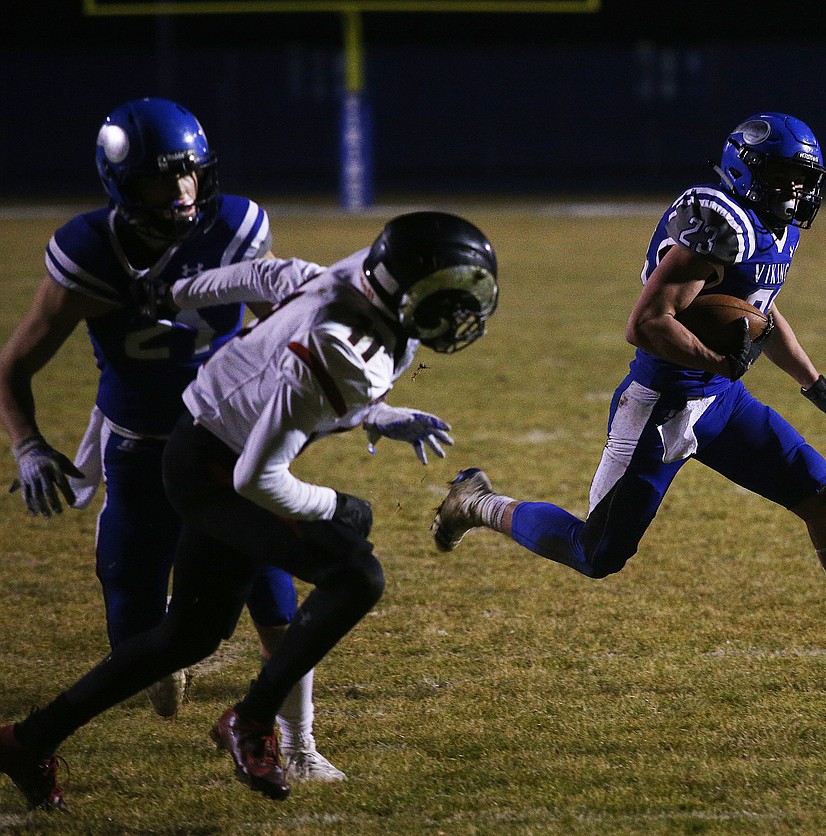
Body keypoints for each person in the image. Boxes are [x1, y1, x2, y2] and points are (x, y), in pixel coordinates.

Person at [432, 112, 826, 687]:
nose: (797, 190)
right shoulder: (720, 223)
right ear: (747, 169)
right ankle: (477, 502)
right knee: (597, 553)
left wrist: (814, 383)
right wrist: (718, 361)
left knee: (823, 495)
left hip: (720, 403)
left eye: (803, 177)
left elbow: (757, 311)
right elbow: (646, 323)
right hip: (661, 405)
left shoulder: (773, 223)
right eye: (785, 176)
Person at [0, 210, 500, 810]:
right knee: (357, 574)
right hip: (215, 471)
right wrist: (336, 504)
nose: (460, 312)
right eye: (444, 297)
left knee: (186, 637)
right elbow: (257, 478)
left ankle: (26, 741)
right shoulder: (335, 348)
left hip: (210, 444)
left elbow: (272, 275)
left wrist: (176, 291)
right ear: (398, 289)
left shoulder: (357, 281)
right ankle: (252, 721)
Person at [0, 98, 341, 780]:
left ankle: (293, 742)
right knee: (140, 645)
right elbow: (14, 366)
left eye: (188, 174)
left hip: (224, 445)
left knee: (276, 594)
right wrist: (29, 445)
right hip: (140, 445)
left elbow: (288, 329)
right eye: (162, 179)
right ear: (123, 185)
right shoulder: (88, 253)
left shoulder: (236, 227)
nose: (182, 192)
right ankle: (171, 640)